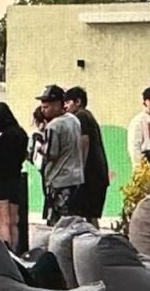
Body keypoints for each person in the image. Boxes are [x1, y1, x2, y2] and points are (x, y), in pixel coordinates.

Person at [36, 84, 84, 225]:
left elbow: (51, 153)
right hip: (76, 177)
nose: (43, 110)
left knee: (59, 223)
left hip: (59, 179)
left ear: (58, 105)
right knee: (73, 220)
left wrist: (38, 147)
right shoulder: (74, 120)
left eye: (46, 107)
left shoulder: (54, 126)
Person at [64, 86, 109, 225]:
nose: (65, 106)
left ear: (78, 102)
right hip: (98, 174)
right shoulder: (89, 116)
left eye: (68, 102)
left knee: (82, 214)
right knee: (91, 216)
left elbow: (84, 142)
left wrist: (79, 171)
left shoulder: (81, 117)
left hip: (90, 175)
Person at [0, 102, 28, 249]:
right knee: (13, 222)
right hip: (16, 180)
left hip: (2, 182)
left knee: (3, 223)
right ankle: (15, 251)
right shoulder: (21, 134)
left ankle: (6, 252)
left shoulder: (5, 139)